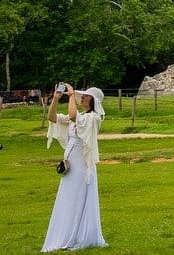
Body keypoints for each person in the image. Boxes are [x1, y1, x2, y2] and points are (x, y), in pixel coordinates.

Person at [44, 83, 108, 251]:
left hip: (82, 167)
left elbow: (73, 116)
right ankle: (67, 233)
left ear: (92, 100)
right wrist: (56, 100)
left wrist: (71, 95)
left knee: (78, 198)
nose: (82, 97)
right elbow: (53, 118)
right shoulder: (79, 118)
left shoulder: (92, 118)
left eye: (85, 96)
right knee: (69, 199)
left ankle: (79, 235)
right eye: (81, 95)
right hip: (71, 167)